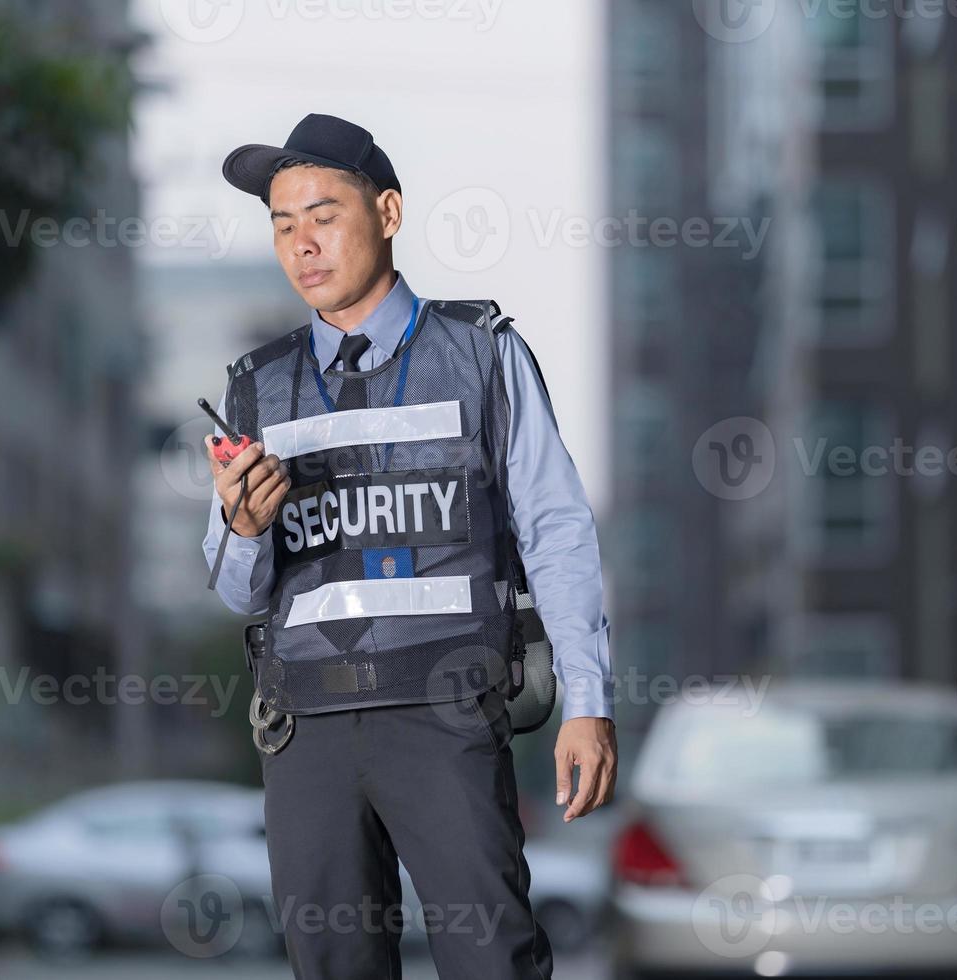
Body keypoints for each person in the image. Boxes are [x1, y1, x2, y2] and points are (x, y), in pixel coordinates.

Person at [202, 112, 616, 979]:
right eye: (282, 224)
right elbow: (239, 592)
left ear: (388, 212)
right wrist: (244, 529)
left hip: (446, 713)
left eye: (323, 214)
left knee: (492, 962)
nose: (301, 243)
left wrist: (588, 701)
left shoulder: (483, 355)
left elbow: (556, 529)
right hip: (305, 729)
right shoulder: (255, 388)